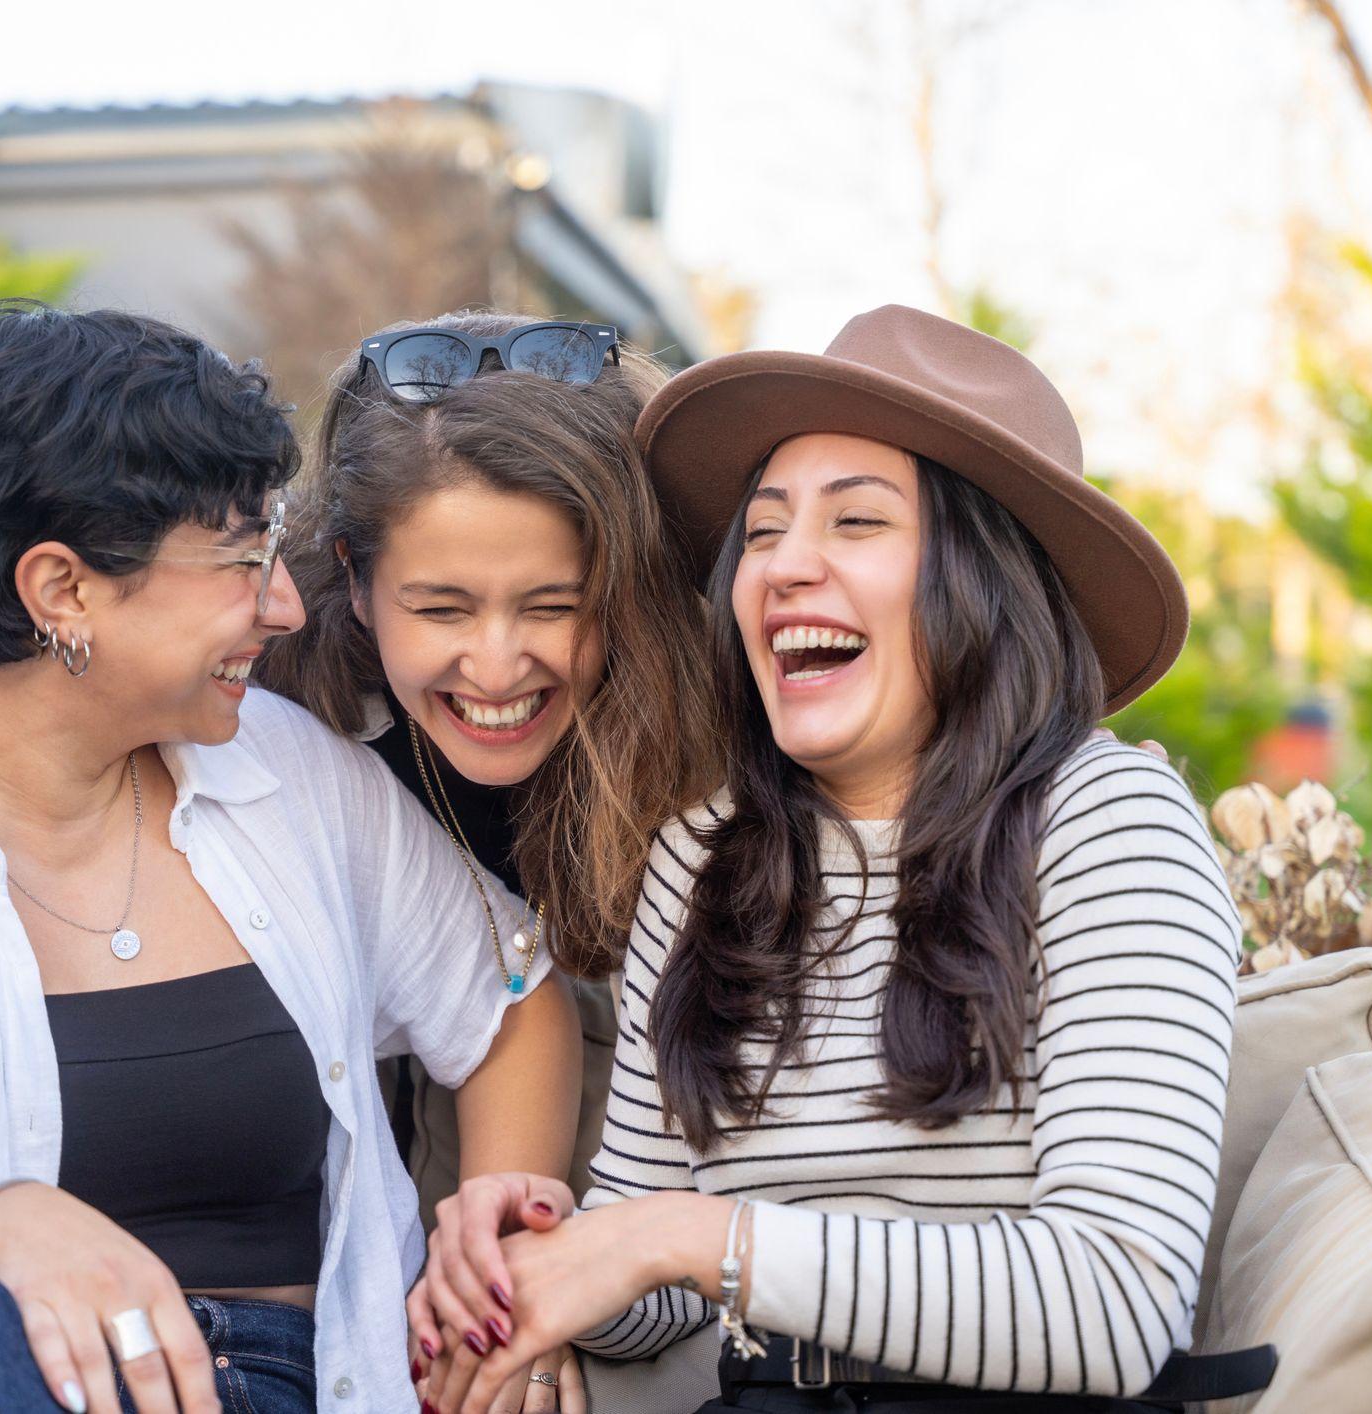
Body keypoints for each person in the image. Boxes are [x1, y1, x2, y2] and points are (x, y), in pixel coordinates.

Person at [0, 308, 721, 1409]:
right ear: (62, 591)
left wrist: (500, 1279)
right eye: (245, 560)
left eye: (552, 606)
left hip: (279, 1378)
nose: (281, 603)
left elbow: (509, 989)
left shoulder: (287, 768)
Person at [411, 306, 1243, 1414]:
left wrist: (694, 1238)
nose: (784, 567)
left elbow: (1115, 1300)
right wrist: (542, 1249)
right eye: (761, 532)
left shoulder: (1105, 820)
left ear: (983, 579)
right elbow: (647, 1285)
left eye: (856, 523)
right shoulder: (706, 857)